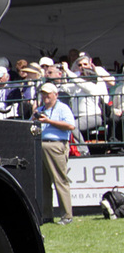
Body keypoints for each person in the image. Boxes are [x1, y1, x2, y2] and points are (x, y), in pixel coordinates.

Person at [35, 82, 76, 224]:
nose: (45, 96)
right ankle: (47, 215)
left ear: (55, 95)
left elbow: (71, 126)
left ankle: (67, 215)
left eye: (48, 93)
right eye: (43, 93)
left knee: (60, 180)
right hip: (39, 145)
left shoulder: (63, 108)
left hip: (56, 146)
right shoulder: (40, 109)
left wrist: (49, 121)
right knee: (43, 183)